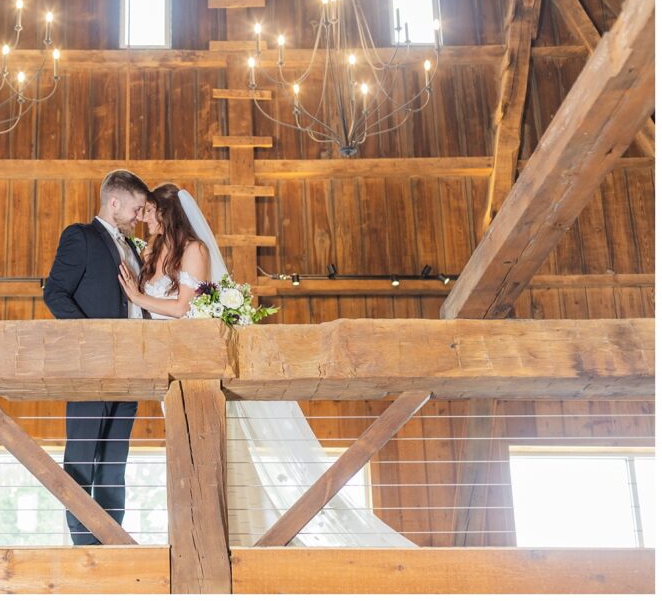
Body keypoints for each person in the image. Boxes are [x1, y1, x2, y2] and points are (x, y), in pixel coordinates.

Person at [118, 183, 413, 547]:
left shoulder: (193, 250)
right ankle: (198, 535)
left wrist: (137, 296)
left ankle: (236, 534)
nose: (143, 216)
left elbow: (181, 307)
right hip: (165, 364)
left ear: (166, 212)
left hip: (192, 362)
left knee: (214, 443)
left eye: (149, 209)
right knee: (185, 446)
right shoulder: (152, 250)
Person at [42, 169, 150, 545]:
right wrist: (93, 342)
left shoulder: (135, 249)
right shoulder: (81, 236)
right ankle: (82, 544)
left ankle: (110, 541)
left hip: (132, 368)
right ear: (114, 201)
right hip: (92, 365)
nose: (139, 217)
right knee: (83, 455)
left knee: (115, 461)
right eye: (136, 209)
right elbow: (55, 293)